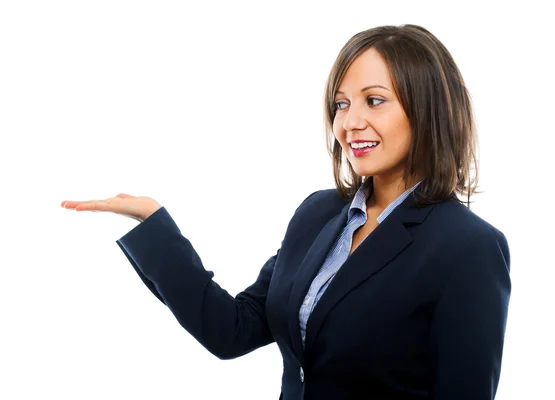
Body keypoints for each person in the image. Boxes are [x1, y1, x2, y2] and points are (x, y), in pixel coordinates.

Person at [61, 24, 511, 400]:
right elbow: (232, 330)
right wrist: (153, 223)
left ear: (427, 108)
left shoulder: (468, 247)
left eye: (374, 100)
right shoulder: (319, 213)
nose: (349, 122)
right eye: (341, 104)